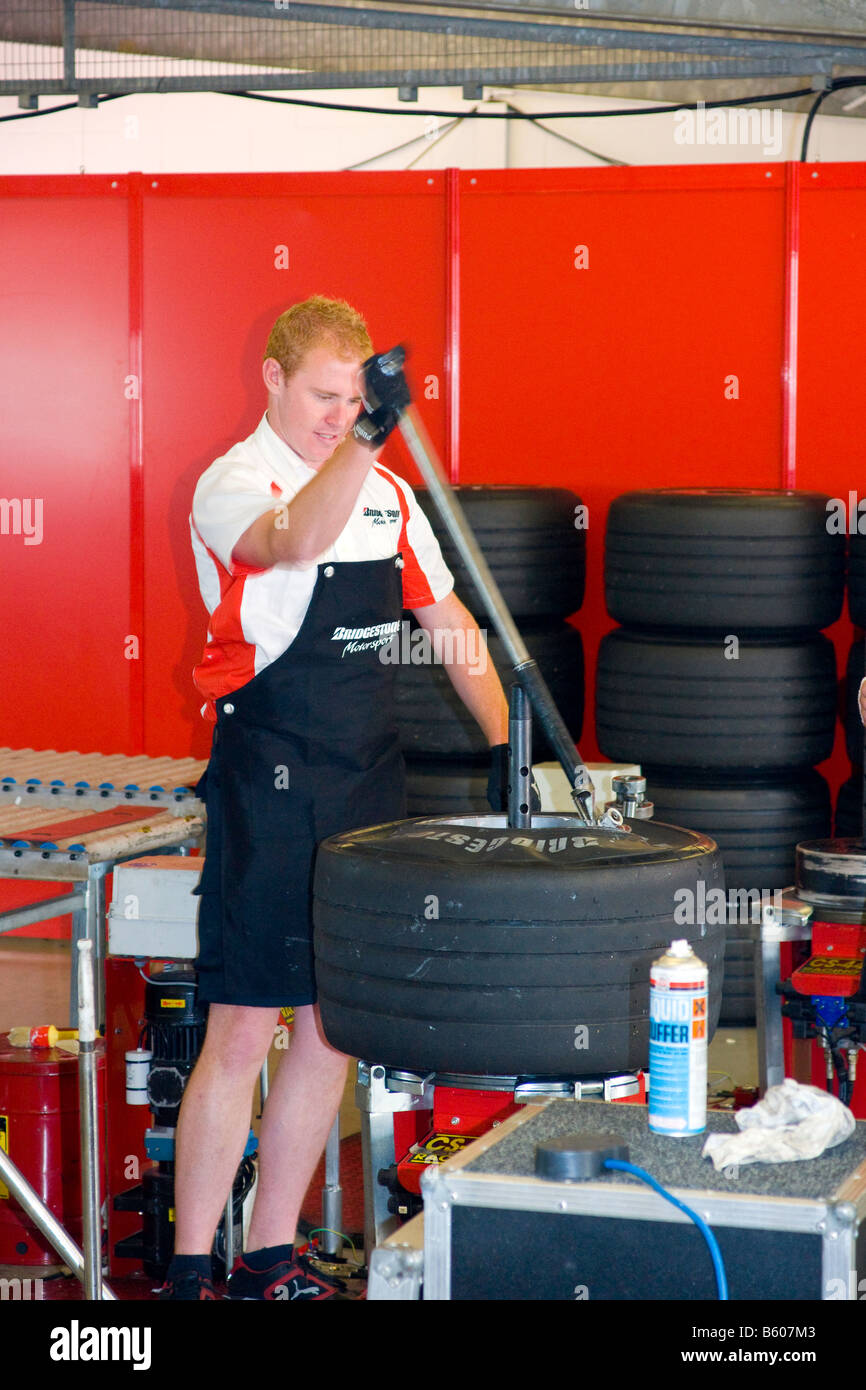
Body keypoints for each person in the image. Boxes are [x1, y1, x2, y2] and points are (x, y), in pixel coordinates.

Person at [160, 296, 509, 1300]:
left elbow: (448, 626)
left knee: (328, 1030)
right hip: (268, 780)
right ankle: (191, 1269)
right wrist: (359, 443)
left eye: (356, 398)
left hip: (365, 786)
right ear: (270, 378)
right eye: (323, 394)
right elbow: (289, 540)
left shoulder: (390, 494)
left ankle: (267, 1258)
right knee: (242, 1026)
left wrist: (507, 751)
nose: (337, 413)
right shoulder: (233, 483)